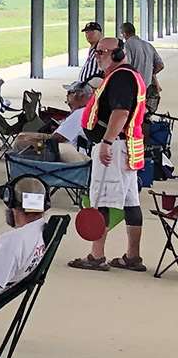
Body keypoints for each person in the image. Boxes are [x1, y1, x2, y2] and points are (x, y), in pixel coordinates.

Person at [68, 37, 150, 272]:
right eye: (96, 52)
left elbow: (121, 113)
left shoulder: (121, 77)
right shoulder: (127, 75)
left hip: (113, 148)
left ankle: (96, 256)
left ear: (117, 54)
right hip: (126, 147)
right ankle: (132, 257)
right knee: (130, 202)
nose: (98, 56)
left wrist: (106, 141)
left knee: (101, 200)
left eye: (102, 52)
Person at [118, 21, 164, 113]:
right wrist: (151, 73)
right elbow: (160, 65)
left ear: (124, 34)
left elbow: (127, 65)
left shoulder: (127, 45)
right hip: (147, 88)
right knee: (142, 114)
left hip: (133, 88)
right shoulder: (148, 45)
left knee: (131, 115)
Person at [68, 21, 105, 107]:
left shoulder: (101, 48)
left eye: (92, 32)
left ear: (100, 33)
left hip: (92, 90)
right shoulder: (92, 49)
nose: (88, 34)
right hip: (84, 91)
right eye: (87, 32)